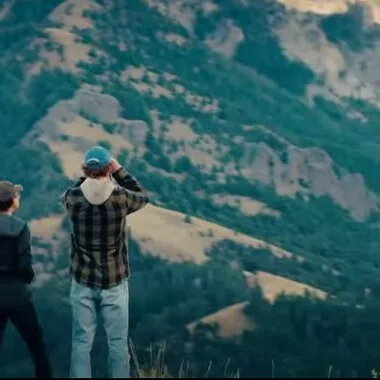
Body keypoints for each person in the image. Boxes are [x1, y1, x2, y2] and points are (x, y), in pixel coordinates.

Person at [62, 146, 149, 378]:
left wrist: (86, 174)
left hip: (83, 280)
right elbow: (142, 195)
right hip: (114, 280)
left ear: (85, 169)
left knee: (81, 343)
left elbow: (71, 189)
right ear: (108, 168)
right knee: (117, 344)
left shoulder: (73, 198)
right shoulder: (120, 198)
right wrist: (118, 171)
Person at [0, 181, 53, 378]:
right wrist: (28, 277)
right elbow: (24, 264)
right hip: (17, 293)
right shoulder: (21, 227)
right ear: (11, 201)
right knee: (36, 344)